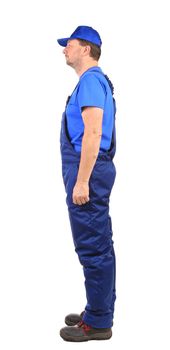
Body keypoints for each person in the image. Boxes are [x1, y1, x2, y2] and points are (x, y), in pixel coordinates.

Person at [57, 25, 117, 342]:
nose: (64, 48)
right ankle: (98, 309)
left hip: (88, 172)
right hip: (91, 169)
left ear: (85, 49)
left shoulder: (91, 81)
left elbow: (93, 133)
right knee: (98, 245)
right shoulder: (92, 82)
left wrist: (82, 182)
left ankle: (97, 323)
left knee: (93, 247)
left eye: (70, 44)